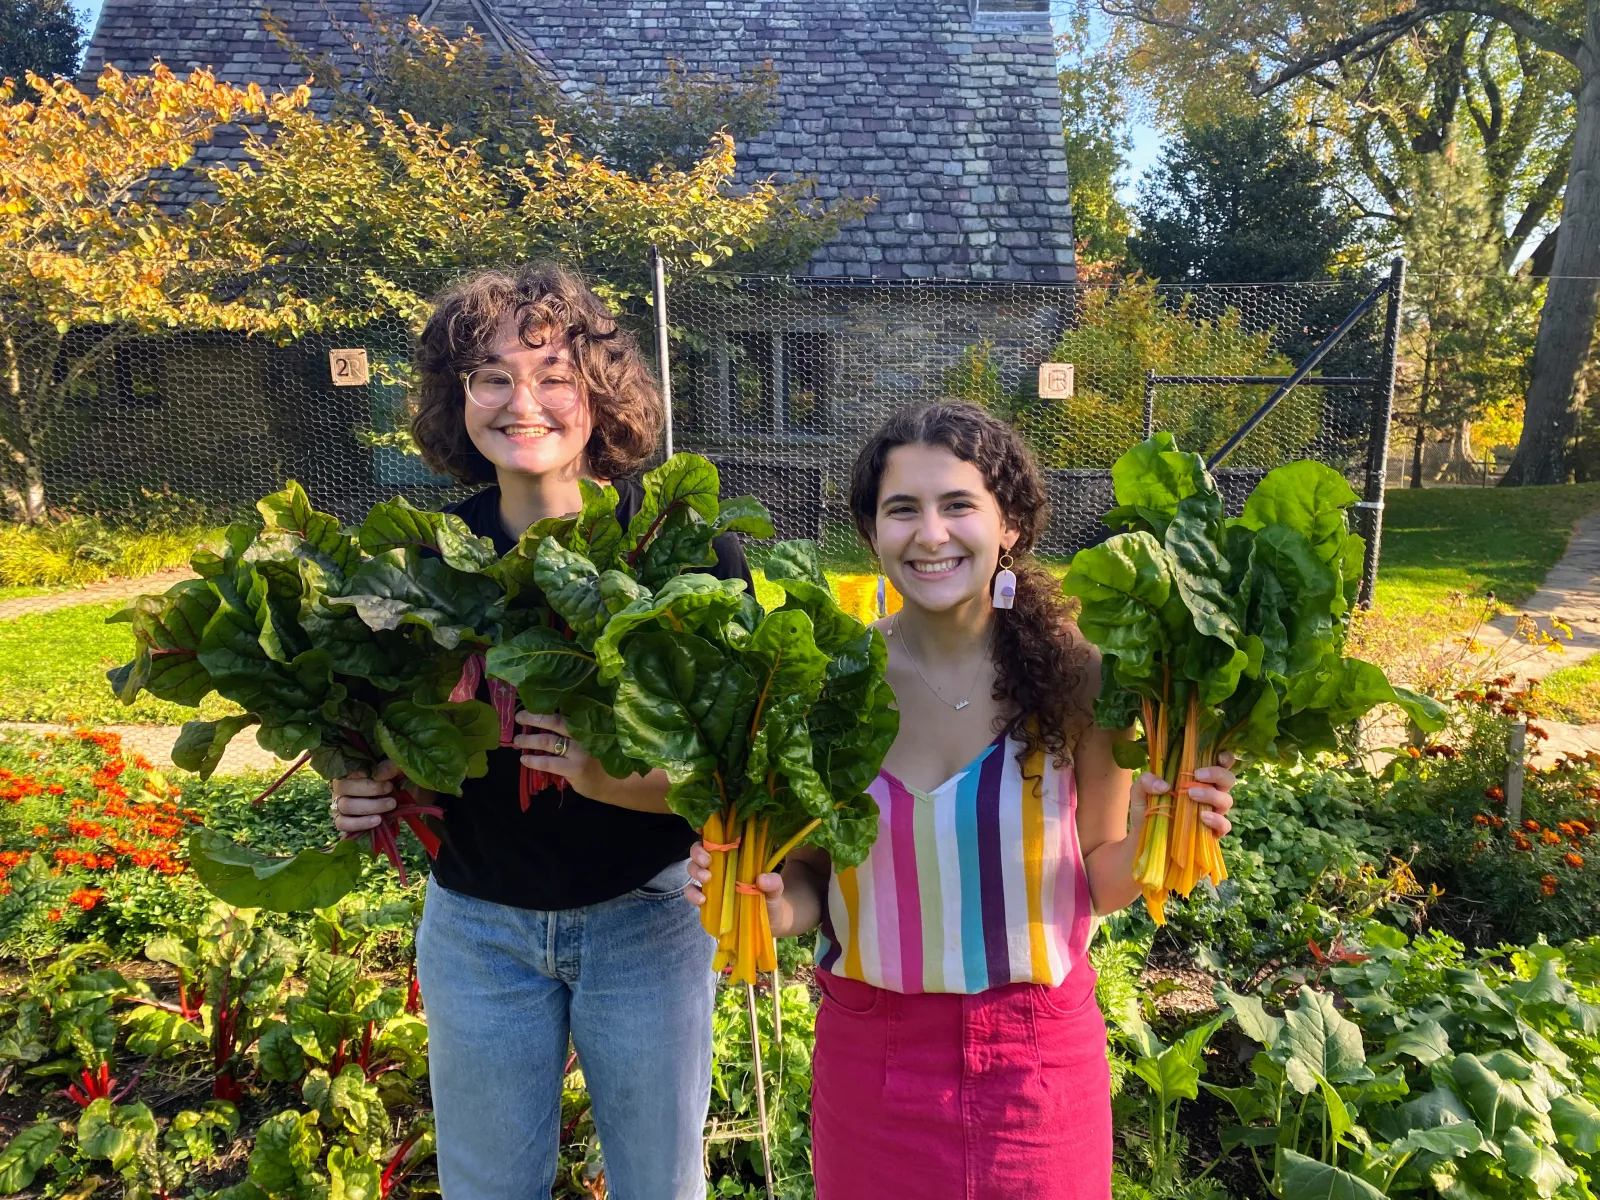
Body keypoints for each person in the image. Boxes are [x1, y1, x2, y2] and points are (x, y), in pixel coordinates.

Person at [688, 402, 1237, 1199]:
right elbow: (808, 876)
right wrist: (773, 908)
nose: (931, 533)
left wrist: (1167, 822)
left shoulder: (1081, 680)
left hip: (1038, 1064)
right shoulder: (829, 681)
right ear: (872, 534)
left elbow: (1102, 876)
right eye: (902, 509)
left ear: (1008, 525)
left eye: (958, 505)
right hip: (869, 1062)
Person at [333, 264, 748, 1200]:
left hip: (647, 917)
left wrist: (613, 781)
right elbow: (389, 730)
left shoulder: (687, 548)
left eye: (554, 374)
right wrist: (364, 784)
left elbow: (738, 766)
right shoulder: (423, 562)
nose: (524, 402)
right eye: (490, 376)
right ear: (457, 400)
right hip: (478, 926)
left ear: (600, 393)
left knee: (659, 1185)